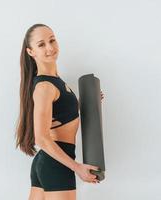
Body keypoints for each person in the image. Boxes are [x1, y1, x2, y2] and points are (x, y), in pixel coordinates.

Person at [15, 23, 105, 200]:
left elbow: (61, 115)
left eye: (52, 40)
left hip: (47, 162)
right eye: (41, 44)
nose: (50, 47)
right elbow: (41, 137)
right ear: (30, 51)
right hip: (56, 164)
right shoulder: (44, 87)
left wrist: (83, 103)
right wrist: (77, 167)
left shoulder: (54, 81)